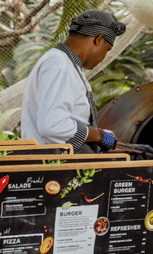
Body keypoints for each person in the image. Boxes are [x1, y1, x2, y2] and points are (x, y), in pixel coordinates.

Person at [21, 10, 126, 153]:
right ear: (98, 40)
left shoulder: (67, 65)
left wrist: (101, 137)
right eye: (107, 49)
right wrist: (99, 136)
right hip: (53, 167)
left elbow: (68, 122)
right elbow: (52, 125)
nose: (104, 57)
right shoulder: (59, 65)